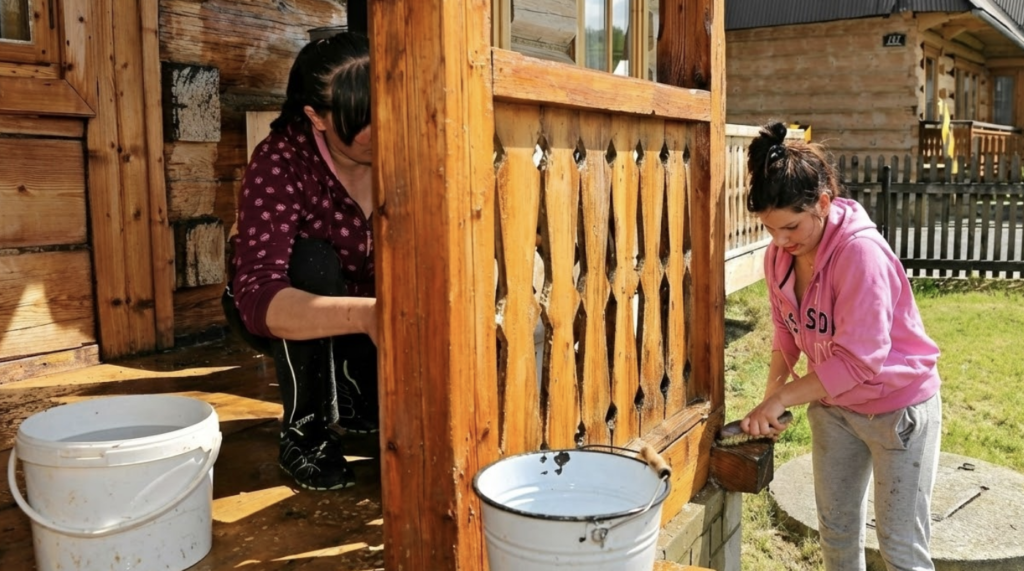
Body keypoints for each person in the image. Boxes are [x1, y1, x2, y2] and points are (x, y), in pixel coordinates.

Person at [738, 122, 943, 570]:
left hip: (897, 411)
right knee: (836, 530)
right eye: (771, 230)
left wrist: (783, 397)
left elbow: (861, 360)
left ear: (824, 203)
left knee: (901, 545)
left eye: (790, 226)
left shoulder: (860, 254)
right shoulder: (781, 257)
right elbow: (785, 330)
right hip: (833, 409)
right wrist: (772, 393)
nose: (780, 241)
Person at [223, 31, 378, 491]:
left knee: (375, 419)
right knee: (309, 259)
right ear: (316, 116)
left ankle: (353, 389)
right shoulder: (281, 161)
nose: (384, 129)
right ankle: (303, 431)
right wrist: (371, 316)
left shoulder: (411, 152)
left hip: (368, 309)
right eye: (361, 119)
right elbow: (259, 295)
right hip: (287, 307)